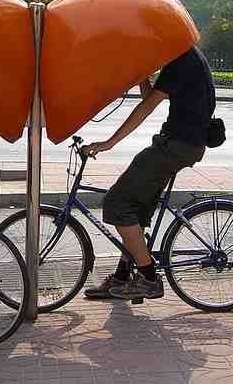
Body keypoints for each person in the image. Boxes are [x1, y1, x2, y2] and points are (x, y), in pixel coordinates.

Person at [82, 45, 216, 301]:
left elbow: (147, 108)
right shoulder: (185, 55)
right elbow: (151, 96)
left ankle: (149, 278)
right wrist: (143, 76)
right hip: (179, 144)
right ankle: (122, 278)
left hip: (177, 146)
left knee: (117, 201)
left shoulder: (181, 60)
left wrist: (109, 143)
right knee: (135, 208)